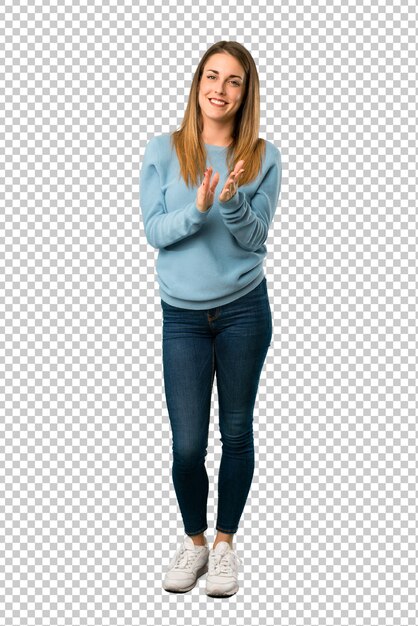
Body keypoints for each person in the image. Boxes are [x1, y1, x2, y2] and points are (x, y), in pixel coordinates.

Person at [139, 40, 282, 597]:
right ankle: (194, 542)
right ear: (197, 83)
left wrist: (230, 201)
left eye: (234, 81)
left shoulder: (264, 155)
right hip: (182, 316)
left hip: (245, 309)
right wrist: (197, 210)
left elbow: (255, 238)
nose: (220, 89)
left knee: (237, 430)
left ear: (246, 93)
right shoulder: (164, 149)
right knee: (187, 444)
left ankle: (224, 546)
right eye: (212, 76)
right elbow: (154, 231)